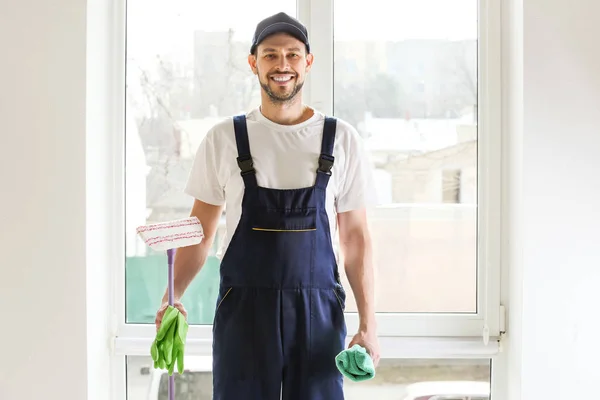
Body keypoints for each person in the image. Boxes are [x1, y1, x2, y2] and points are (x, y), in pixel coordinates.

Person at [154, 11, 380, 400]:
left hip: (318, 311)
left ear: (307, 62)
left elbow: (356, 240)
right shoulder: (224, 139)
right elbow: (200, 233)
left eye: (292, 55)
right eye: (271, 54)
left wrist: (368, 322)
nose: (282, 65)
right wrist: (170, 297)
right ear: (253, 62)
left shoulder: (342, 140)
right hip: (243, 312)